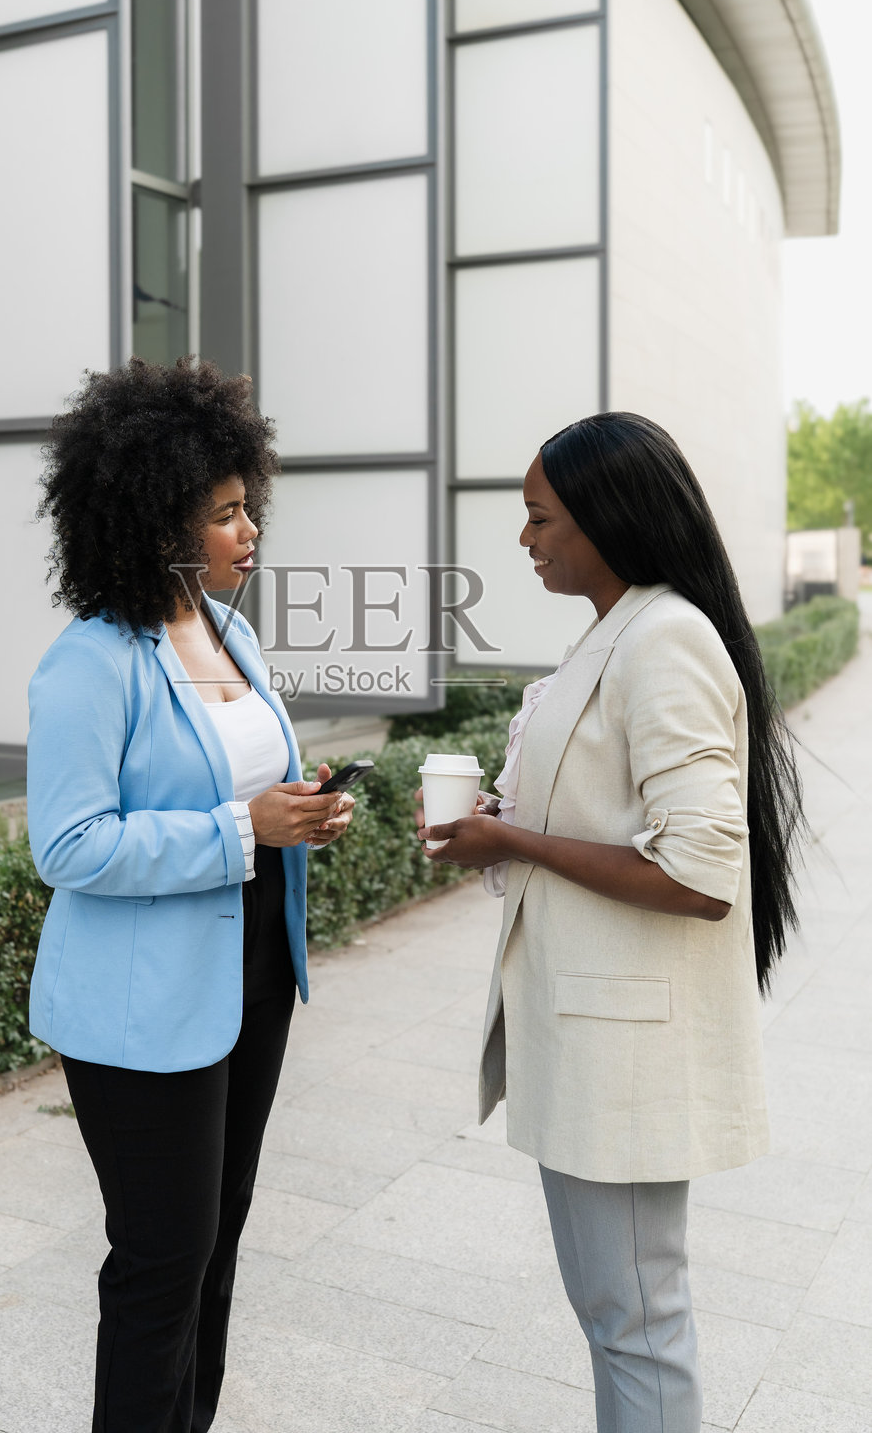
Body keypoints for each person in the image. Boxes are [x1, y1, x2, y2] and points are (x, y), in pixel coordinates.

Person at [417, 412, 801, 1433]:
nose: (524, 538)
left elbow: (699, 871)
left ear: (605, 518)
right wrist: (506, 823)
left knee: (635, 1320)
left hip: (622, 1043)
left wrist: (515, 844)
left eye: (539, 517)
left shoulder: (663, 636)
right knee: (619, 1315)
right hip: (590, 1031)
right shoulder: (619, 627)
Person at [27, 357, 355, 1433]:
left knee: (214, 1243)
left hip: (249, 975)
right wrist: (238, 829)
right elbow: (69, 844)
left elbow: (239, 784)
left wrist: (302, 809)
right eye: (222, 513)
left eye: (247, 504)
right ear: (155, 519)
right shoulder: (89, 661)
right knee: (161, 1260)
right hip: (140, 1011)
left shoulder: (228, 632)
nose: (247, 529)